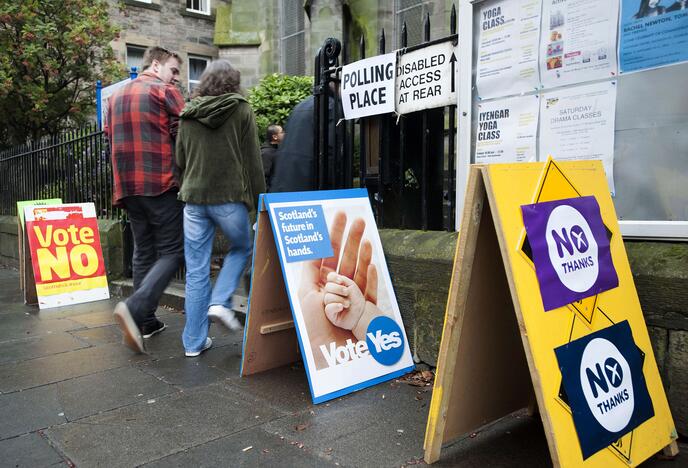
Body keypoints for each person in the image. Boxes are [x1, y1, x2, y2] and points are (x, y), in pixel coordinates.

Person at [175, 59, 265, 357]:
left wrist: (189, 184)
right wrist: (260, 203)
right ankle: (220, 301)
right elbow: (252, 160)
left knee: (197, 269)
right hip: (228, 198)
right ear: (233, 81)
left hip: (193, 200)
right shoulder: (241, 109)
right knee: (242, 248)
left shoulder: (188, 113)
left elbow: (180, 160)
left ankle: (193, 343)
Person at [107, 46, 185, 354]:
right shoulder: (163, 91)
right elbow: (186, 130)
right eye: (174, 70)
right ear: (156, 64)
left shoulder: (114, 99)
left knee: (143, 251)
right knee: (173, 251)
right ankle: (136, 306)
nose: (177, 78)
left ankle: (146, 322)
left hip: (127, 186)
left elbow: (107, 136)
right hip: (159, 183)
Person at [260, 124, 284, 192]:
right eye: (282, 132)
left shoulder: (277, 150)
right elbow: (263, 178)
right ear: (275, 137)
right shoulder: (266, 153)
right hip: (271, 196)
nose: (285, 134)